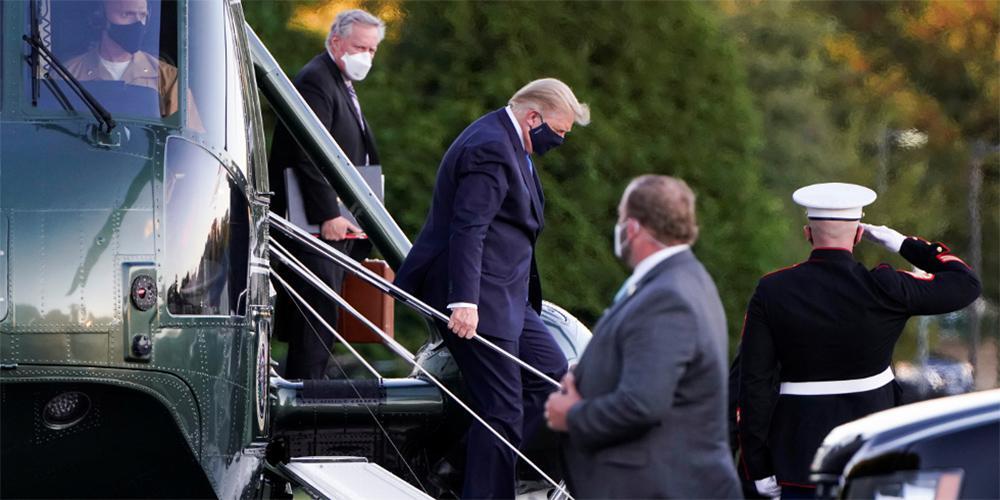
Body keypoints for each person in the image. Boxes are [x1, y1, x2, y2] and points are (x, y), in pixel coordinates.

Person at [394, 78, 590, 498]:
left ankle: (456, 470)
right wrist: (463, 301)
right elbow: (469, 228)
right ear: (533, 117)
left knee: (552, 380)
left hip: (510, 297)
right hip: (479, 297)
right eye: (559, 131)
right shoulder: (491, 148)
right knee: (501, 410)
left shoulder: (510, 142)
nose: (560, 140)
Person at [737, 182, 982, 498]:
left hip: (798, 459)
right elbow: (966, 284)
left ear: (808, 233)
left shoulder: (773, 290)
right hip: (872, 455)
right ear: (857, 235)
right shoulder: (886, 287)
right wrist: (903, 243)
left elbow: (753, 383)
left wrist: (757, 466)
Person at [544, 175, 742, 499]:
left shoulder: (669, 297)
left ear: (633, 228)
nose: (618, 227)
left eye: (620, 218)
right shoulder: (681, 278)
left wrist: (573, 415)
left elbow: (642, 404)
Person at [267, 9, 385, 380]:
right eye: (360, 47)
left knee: (321, 321)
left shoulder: (339, 82)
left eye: (372, 50)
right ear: (335, 42)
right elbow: (309, 150)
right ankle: (305, 397)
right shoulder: (317, 79)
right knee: (315, 319)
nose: (366, 57)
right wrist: (327, 215)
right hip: (315, 227)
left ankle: (309, 388)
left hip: (335, 224)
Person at [65, 0, 187, 120]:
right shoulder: (68, 74)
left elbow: (184, 130)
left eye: (143, 15)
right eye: (127, 14)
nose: (139, 23)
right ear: (100, 17)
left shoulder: (168, 78)